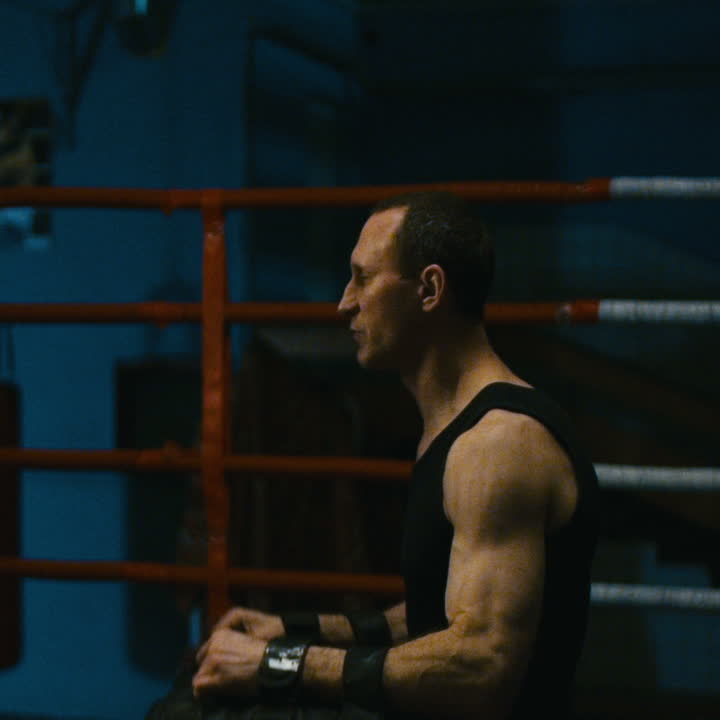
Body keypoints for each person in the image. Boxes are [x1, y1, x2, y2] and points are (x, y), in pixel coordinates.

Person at [151, 191, 600, 720]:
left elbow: (480, 666)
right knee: (193, 700)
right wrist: (292, 630)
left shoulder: (498, 445)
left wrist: (278, 662)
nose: (345, 302)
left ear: (429, 289)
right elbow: (439, 613)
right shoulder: (453, 429)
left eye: (363, 279)